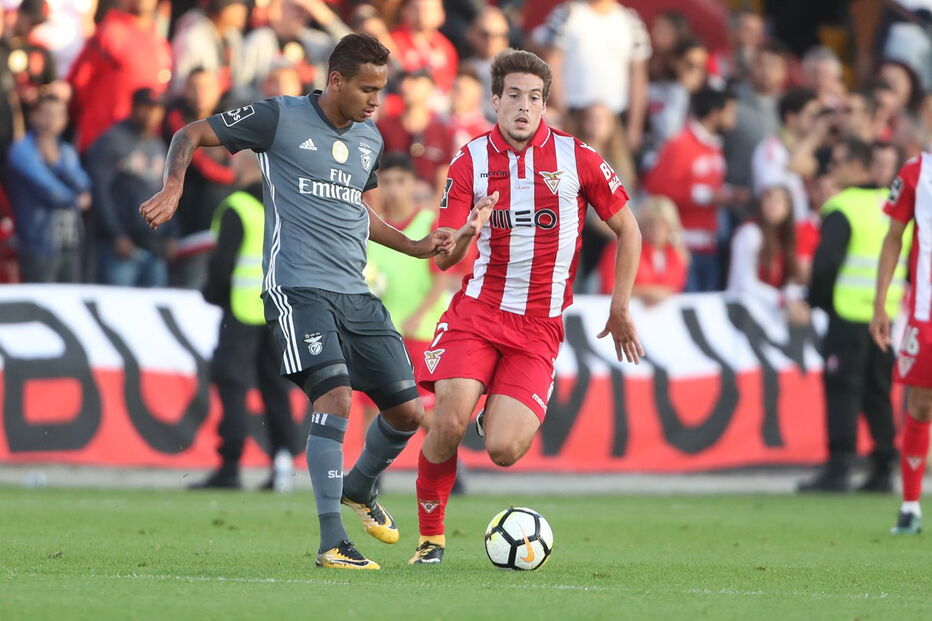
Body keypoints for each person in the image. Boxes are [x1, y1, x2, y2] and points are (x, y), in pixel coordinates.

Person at [139, 34, 454, 570]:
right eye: (367, 88)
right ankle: (333, 539)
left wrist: (415, 244)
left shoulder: (369, 139)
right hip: (297, 288)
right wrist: (175, 186)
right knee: (334, 398)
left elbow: (356, 209)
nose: (376, 100)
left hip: (356, 292)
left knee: (408, 413)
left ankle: (359, 486)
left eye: (381, 89)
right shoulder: (277, 117)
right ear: (335, 80)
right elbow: (189, 132)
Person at [408, 49, 643, 565]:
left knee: (504, 450)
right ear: (494, 100)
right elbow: (445, 256)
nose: (523, 106)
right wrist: (466, 232)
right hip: (478, 311)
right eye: (513, 95)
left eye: (534, 98)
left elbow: (630, 229)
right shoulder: (468, 160)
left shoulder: (577, 157)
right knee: (446, 421)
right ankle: (431, 539)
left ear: (545, 104)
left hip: (538, 327)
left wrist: (619, 305)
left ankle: (489, 409)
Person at [800, 138, 909, 493]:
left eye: (841, 161)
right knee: (878, 392)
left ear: (860, 166)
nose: (834, 167)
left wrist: (816, 300)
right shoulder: (893, 208)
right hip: (885, 315)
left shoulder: (843, 206)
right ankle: (884, 465)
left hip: (847, 314)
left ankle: (840, 466)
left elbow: (826, 263)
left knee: (843, 390)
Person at [189, 175, 298, 492]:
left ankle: (230, 465)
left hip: (240, 309)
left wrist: (211, 294)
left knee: (232, 383)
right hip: (278, 309)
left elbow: (221, 265)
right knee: (276, 388)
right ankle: (282, 463)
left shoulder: (236, 206)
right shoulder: (286, 206)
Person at [870, 150, 932, 534]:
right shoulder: (915, 172)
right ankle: (910, 506)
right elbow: (894, 238)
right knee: (921, 403)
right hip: (926, 313)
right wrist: (880, 303)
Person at [643, 86, 738, 292]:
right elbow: (657, 187)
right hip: (683, 247)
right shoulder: (680, 144)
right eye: (730, 112)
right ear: (715, 114)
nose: (734, 120)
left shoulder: (714, 146)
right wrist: (705, 195)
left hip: (709, 246)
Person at [87, 88, 173, 287]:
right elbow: (100, 192)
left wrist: (171, 234)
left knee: (154, 311)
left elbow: (168, 192)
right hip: (121, 246)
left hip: (154, 245)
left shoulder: (159, 144)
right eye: (145, 107)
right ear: (133, 108)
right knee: (117, 311)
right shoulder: (111, 140)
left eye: (156, 108)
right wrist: (116, 235)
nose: (151, 113)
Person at [5, 93, 90, 283]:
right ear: (33, 116)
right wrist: (75, 199)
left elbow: (84, 184)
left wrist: (58, 164)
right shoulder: (22, 149)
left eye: (59, 114)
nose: (53, 120)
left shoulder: (66, 151)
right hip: (38, 242)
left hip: (70, 240)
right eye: (47, 114)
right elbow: (48, 189)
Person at [67, 0, 172, 153]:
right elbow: (80, 82)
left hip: (139, 147)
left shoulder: (159, 40)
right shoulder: (110, 32)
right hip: (102, 140)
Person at [599, 195, 688, 303]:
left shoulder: (677, 254)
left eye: (662, 224)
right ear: (642, 224)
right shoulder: (622, 246)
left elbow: (675, 288)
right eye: (651, 223)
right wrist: (647, 293)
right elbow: (609, 287)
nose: (656, 229)